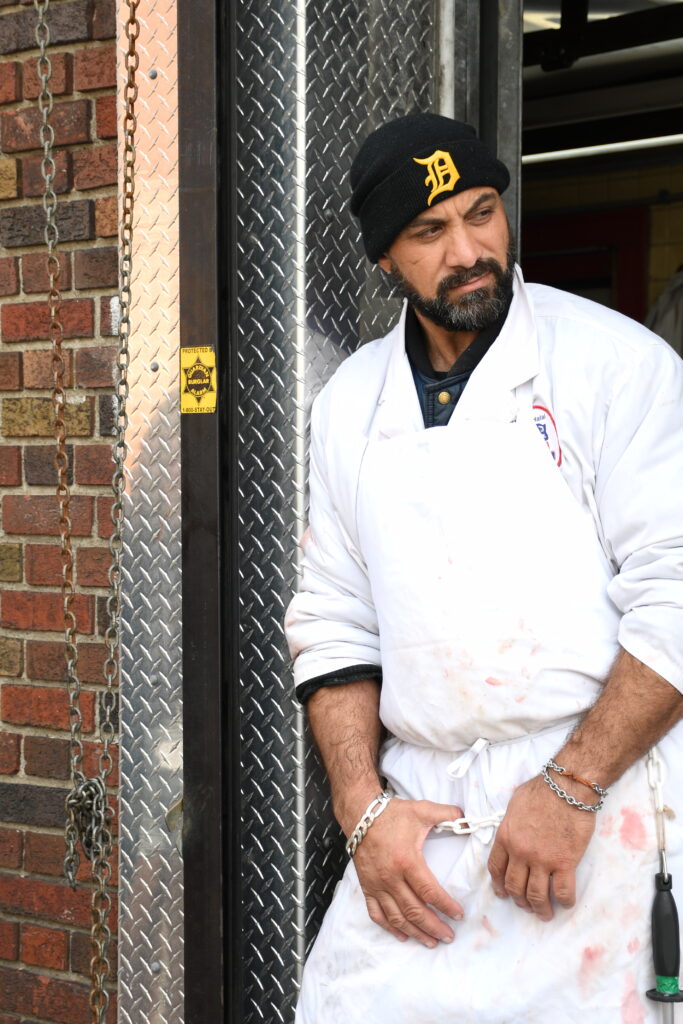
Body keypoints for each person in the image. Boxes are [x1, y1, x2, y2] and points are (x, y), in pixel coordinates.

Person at [284, 113, 683, 1023]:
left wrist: (571, 786)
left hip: (592, 804)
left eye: (483, 213)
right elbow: (334, 615)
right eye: (429, 232)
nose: (469, 251)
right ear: (383, 257)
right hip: (417, 811)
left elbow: (675, 589)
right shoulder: (350, 403)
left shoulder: (614, 365)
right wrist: (360, 808)